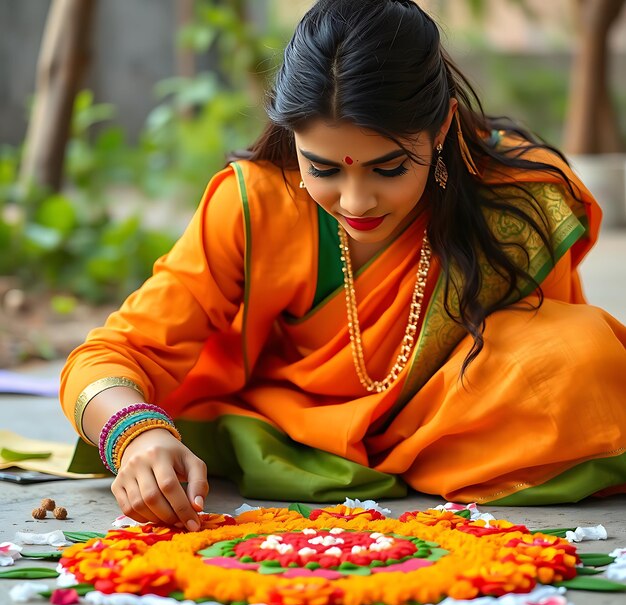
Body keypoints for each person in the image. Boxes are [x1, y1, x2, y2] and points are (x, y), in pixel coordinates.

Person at [60, 0, 626, 532]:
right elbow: (109, 356)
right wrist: (135, 436)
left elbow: (538, 357)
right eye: (324, 168)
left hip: (456, 418)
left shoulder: (518, 196)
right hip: (289, 430)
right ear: (292, 136)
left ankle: (416, 458)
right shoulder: (255, 203)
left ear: (443, 128)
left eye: (389, 168)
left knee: (583, 356)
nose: (356, 203)